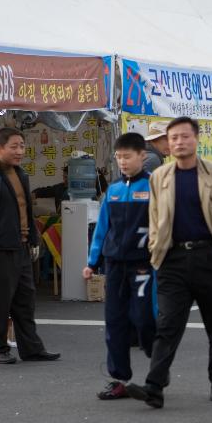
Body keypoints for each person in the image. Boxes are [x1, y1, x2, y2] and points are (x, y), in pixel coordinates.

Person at [126, 117, 212, 407]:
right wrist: (156, 252)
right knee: (167, 324)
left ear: (196, 139)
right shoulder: (160, 177)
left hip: (210, 258)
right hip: (172, 259)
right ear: (168, 142)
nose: (179, 142)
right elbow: (154, 218)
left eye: (184, 137)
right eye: (173, 137)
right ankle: (155, 386)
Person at [0, 127, 58, 365]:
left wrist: (33, 239)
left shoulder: (21, 174)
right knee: (0, 302)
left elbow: (26, 212)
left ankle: (31, 348)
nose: (19, 151)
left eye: (22, 146)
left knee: (25, 300)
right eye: (14, 146)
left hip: (20, 247)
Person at [84, 132, 156, 400]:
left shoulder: (154, 187)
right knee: (114, 322)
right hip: (114, 266)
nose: (123, 162)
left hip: (144, 265)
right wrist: (92, 263)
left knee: (143, 317)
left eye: (128, 157)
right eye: (119, 157)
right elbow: (102, 230)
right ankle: (119, 379)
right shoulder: (113, 191)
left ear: (142, 156)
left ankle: (157, 364)